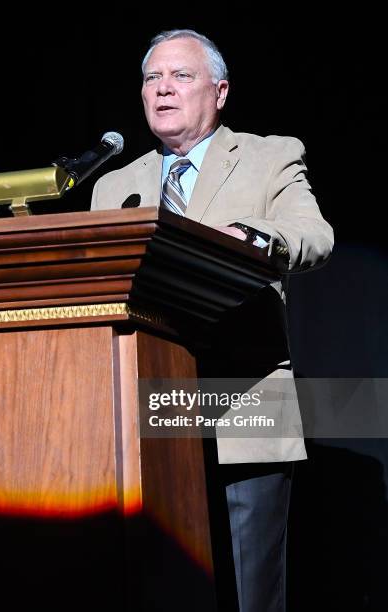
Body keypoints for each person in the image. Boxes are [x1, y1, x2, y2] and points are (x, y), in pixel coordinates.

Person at [91, 29, 333, 612]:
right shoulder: (113, 186)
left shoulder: (269, 155)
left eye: (181, 76)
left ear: (219, 92)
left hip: (245, 395)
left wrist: (253, 238)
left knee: (249, 594)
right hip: (145, 408)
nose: (163, 89)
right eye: (152, 78)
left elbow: (314, 235)